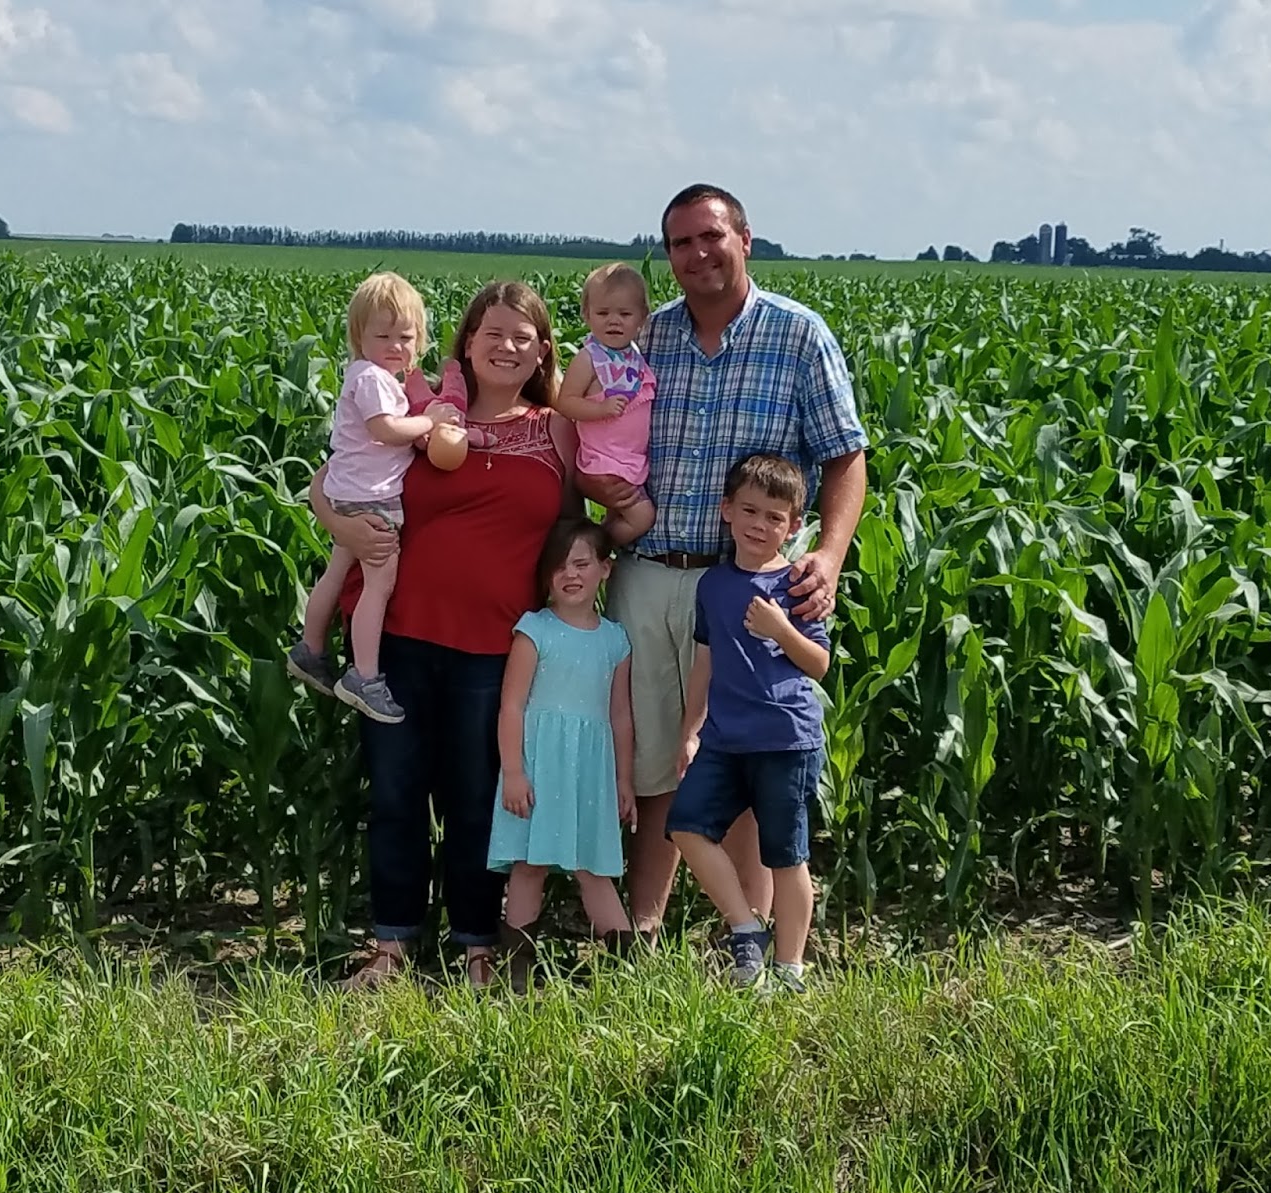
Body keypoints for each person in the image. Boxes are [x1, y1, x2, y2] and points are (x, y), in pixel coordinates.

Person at [593, 184, 869, 943]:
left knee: (745, 753)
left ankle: (742, 935)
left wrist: (830, 554)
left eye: (711, 236)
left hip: (751, 586)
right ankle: (642, 930)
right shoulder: (645, 340)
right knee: (656, 755)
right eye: (680, 243)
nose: (697, 254)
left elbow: (847, 457)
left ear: (745, 238)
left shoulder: (797, 335)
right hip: (650, 570)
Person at [313, 280, 579, 990]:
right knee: (397, 793)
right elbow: (332, 478)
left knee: (476, 797)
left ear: (542, 352)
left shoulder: (556, 430)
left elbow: (591, 518)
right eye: (492, 333)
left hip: (497, 648)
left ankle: (477, 946)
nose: (507, 347)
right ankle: (390, 947)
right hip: (396, 634)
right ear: (466, 343)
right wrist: (339, 526)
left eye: (523, 336)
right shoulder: (420, 409)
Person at [668, 455, 830, 990]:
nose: (760, 526)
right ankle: (745, 927)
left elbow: (819, 664)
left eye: (775, 518)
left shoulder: (800, 583)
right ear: (726, 511)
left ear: (795, 526)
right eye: (750, 511)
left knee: (787, 855)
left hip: (785, 738)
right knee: (687, 825)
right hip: (723, 740)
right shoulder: (712, 585)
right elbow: (705, 662)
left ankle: (790, 969)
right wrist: (691, 730)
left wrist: (781, 628)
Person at [287, 272, 465, 722]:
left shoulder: (372, 376)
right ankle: (363, 676)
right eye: (382, 335)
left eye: (405, 336)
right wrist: (432, 420)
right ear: (358, 336)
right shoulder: (371, 379)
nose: (395, 345)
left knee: (336, 570)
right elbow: (384, 430)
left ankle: (309, 648)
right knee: (378, 584)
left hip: (349, 492)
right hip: (371, 500)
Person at [488, 518, 638, 992]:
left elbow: (620, 716)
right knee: (528, 865)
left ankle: (629, 977)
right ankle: (516, 976)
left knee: (593, 868)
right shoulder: (535, 630)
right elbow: (511, 704)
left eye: (581, 563)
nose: (570, 574)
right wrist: (513, 771)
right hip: (538, 765)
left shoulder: (616, 640)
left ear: (605, 570)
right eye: (559, 566)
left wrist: (623, 781)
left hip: (590, 771)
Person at [551, 263, 656, 546]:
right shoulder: (589, 359)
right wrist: (600, 409)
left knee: (621, 514)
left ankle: (597, 541)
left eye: (624, 314)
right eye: (602, 313)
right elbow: (566, 403)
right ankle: (597, 546)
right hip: (605, 460)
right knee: (642, 517)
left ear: (642, 319)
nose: (614, 321)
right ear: (586, 315)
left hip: (627, 457)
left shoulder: (635, 355)